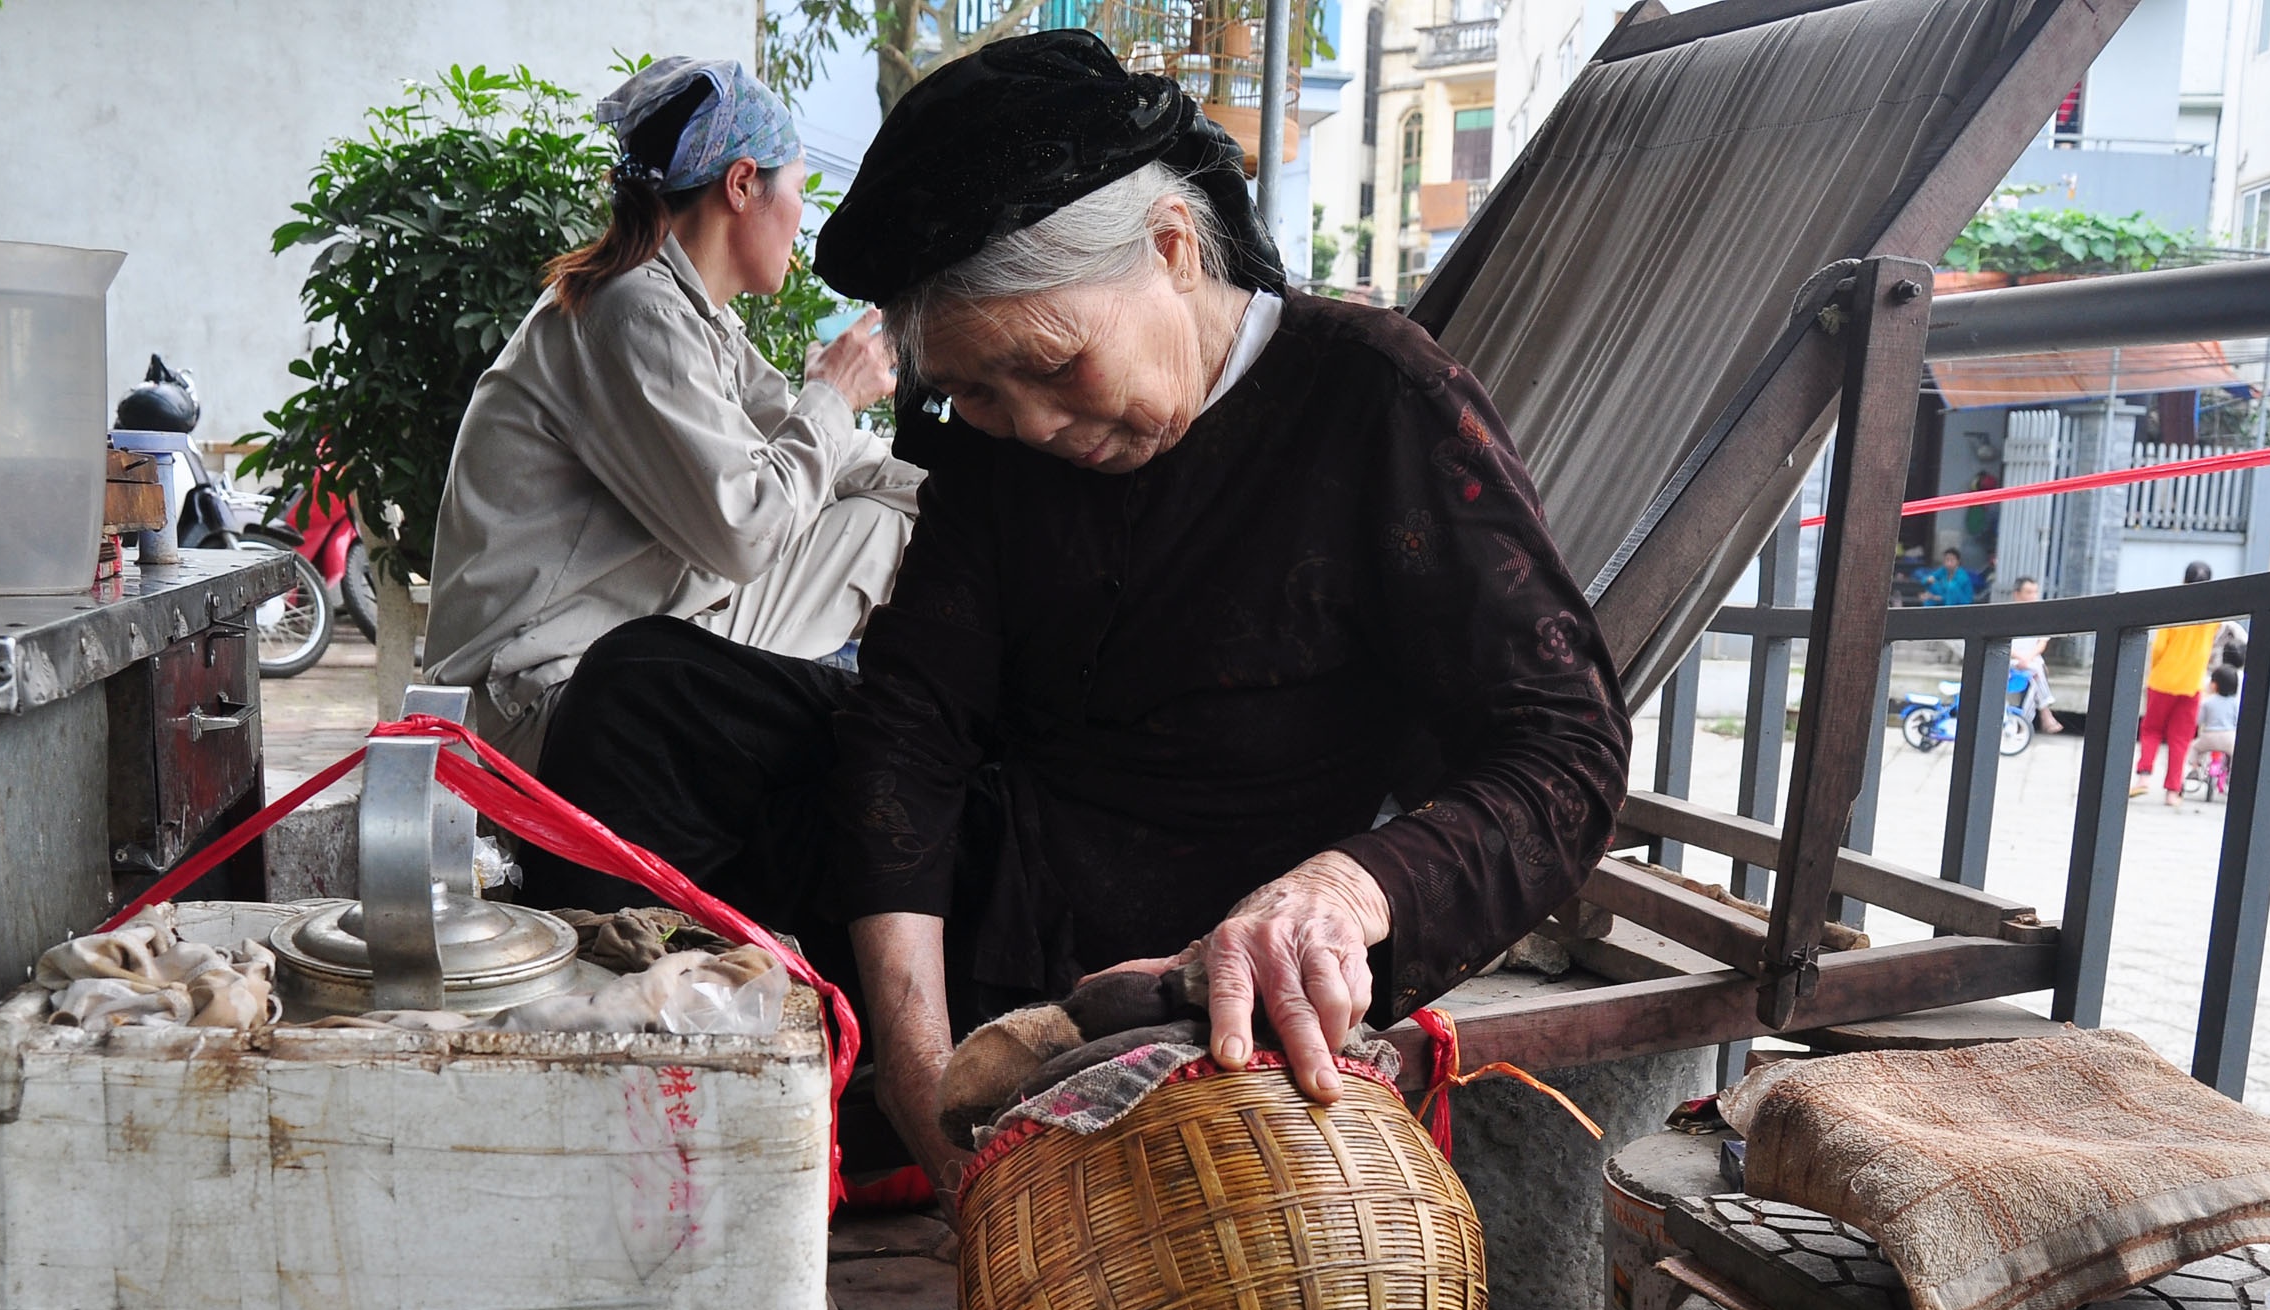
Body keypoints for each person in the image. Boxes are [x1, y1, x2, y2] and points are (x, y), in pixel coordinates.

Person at [520, 30, 1627, 1191]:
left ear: (1170, 247)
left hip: (1188, 962)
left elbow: (1565, 752)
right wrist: (919, 1065)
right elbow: (910, 724)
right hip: (991, 890)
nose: (1028, 424)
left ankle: (864, 1109)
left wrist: (1336, 896)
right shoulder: (1000, 448)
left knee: (1182, 988)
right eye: (975, 394)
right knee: (643, 691)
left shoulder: (1375, 399)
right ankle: (676, 1127)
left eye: (1049, 367)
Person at [424, 58, 921, 768]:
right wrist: (834, 396)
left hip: (633, 652)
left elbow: (834, 458)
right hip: (544, 695)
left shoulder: (691, 317)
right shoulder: (630, 311)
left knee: (888, 525)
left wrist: (971, 502)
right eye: (801, 191)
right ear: (743, 184)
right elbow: (745, 532)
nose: (802, 219)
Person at [2131, 559, 2219, 806]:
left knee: (2151, 729)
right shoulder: (2215, 612)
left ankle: (2144, 778)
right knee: (2180, 738)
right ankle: (2172, 791)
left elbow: (2159, 647)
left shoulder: (2173, 607)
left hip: (2163, 680)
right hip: (2191, 684)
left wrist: (2155, 669)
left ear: (2184, 580)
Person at [2005, 575, 2063, 734]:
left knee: (2033, 675)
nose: (2033, 596)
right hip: (2012, 661)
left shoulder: (2042, 616)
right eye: (2028, 592)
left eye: (2035, 592)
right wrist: (2020, 658)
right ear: (2017, 594)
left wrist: (2027, 658)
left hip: (2032, 661)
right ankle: (2045, 713)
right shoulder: (2006, 616)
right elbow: (2004, 645)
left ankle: (2023, 723)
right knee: (2035, 671)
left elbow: (2041, 643)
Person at [2189, 662, 2240, 797]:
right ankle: (2231, 775)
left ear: (2215, 685)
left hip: (2209, 736)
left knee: (2194, 748)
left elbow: (2199, 720)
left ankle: (2194, 768)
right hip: (2229, 737)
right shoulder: (2235, 702)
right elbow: (2237, 720)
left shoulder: (2208, 701)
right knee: (2237, 754)